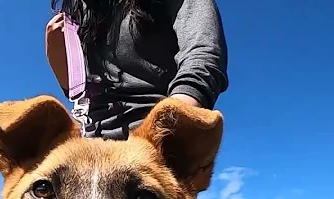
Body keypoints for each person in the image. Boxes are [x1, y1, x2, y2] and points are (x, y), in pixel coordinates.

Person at [46, 0, 229, 140]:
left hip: (154, 137)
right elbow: (84, 94)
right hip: (90, 140)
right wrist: (58, 58)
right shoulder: (83, 12)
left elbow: (203, 54)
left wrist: (167, 130)